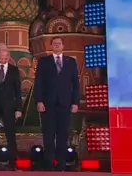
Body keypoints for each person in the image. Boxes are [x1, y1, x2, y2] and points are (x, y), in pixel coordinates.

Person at [34, 36, 80, 171]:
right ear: (51, 46)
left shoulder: (71, 62)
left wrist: (75, 102)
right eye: (54, 44)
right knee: (48, 135)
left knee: (63, 135)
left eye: (59, 43)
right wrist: (39, 101)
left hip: (65, 104)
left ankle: (61, 164)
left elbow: (76, 85)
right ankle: (49, 163)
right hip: (48, 104)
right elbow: (39, 83)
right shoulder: (44, 61)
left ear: (63, 46)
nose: (57, 45)